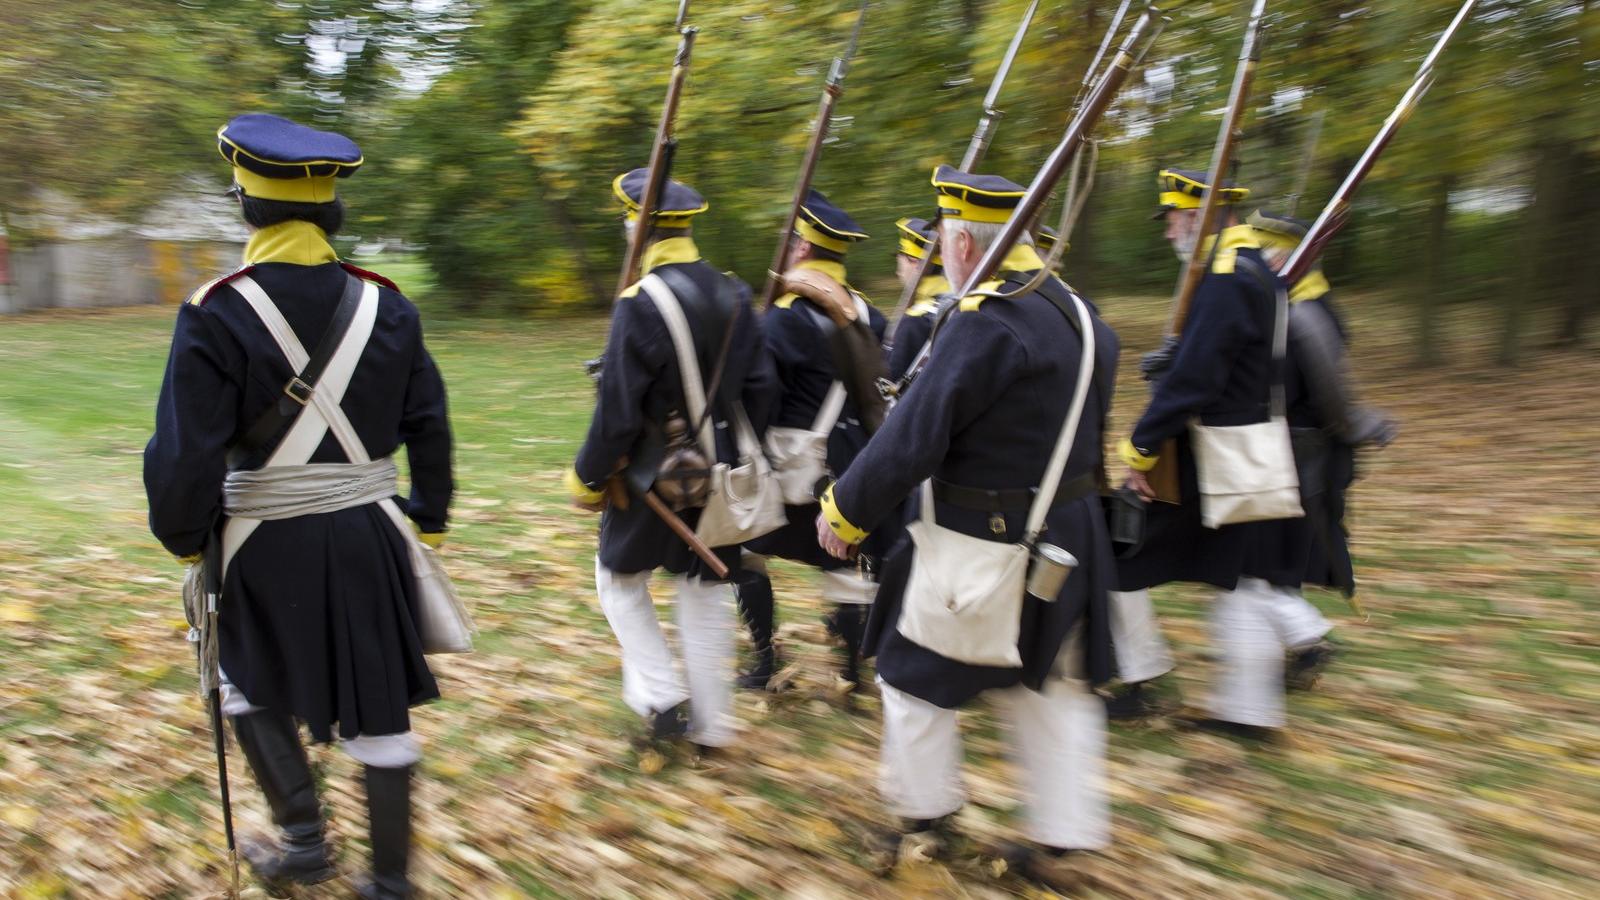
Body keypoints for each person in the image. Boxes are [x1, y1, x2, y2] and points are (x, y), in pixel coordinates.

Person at [144, 113, 452, 898]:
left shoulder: (216, 310)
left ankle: (304, 844)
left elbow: (185, 454)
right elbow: (429, 422)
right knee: (381, 706)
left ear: (247, 206)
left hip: (259, 538)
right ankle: (389, 883)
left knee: (245, 680)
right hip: (369, 533)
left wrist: (185, 538)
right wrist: (431, 512)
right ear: (331, 207)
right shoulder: (389, 306)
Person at [816, 165, 1120, 884]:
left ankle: (925, 822)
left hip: (987, 539)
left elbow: (914, 436)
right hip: (1073, 529)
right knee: (1051, 685)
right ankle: (1063, 843)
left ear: (960, 243)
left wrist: (845, 510)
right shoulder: (1076, 309)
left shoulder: (987, 320)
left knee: (911, 680)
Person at [567, 169, 777, 753]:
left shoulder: (640, 301)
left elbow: (617, 415)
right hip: (721, 468)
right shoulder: (735, 292)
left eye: (627, 220)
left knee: (616, 579)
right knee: (708, 587)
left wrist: (587, 477)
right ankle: (714, 727)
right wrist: (729, 452)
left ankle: (661, 698)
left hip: (649, 473)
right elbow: (760, 391)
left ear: (639, 224)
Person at [1115, 167, 1308, 738]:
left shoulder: (1225, 278)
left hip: (1218, 452)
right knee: (1242, 577)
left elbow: (1197, 381)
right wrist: (1177, 354)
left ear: (1197, 217)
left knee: (1117, 554)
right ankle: (1248, 713)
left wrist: (1139, 448)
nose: (1169, 230)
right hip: (1246, 445)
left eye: (1175, 219)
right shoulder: (1257, 270)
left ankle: (1140, 680)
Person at [737, 189, 886, 691]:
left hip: (796, 463)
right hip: (854, 463)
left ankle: (763, 662)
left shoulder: (786, 317)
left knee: (741, 550)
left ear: (802, 249)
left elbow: (763, 394)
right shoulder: (869, 314)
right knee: (839, 559)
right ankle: (850, 673)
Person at [1245, 209, 1396, 688]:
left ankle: (1304, 641)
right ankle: (1291, 648)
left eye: (1264, 251)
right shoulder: (1289, 305)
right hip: (1287, 449)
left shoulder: (1306, 312)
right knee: (1276, 556)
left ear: (1287, 254)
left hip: (1301, 452)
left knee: (1271, 555)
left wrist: (1359, 424)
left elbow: (1332, 394)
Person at [884, 216, 951, 382]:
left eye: (900, 256)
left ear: (915, 262)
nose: (898, 269)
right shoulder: (956, 304)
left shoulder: (916, 320)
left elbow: (890, 384)